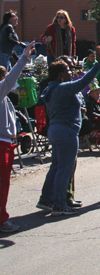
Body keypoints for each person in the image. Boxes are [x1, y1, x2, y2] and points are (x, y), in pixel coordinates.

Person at [36, 48, 100, 215]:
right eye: (67, 70)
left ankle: (46, 199)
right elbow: (83, 82)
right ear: (59, 75)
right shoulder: (61, 88)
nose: (71, 72)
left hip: (56, 129)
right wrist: (98, 65)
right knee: (65, 168)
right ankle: (59, 204)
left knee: (57, 166)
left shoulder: (51, 88)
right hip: (66, 130)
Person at [0, 41, 35, 232]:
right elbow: (9, 80)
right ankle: (1, 220)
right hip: (1, 143)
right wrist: (23, 58)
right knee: (1, 184)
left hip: (6, 142)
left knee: (4, 183)